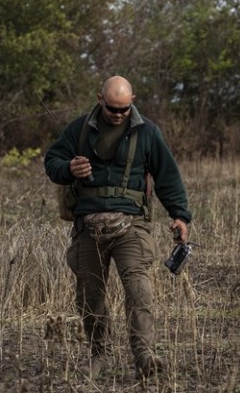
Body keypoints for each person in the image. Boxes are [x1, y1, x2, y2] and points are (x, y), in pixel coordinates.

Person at [44, 76, 193, 379]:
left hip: (132, 226)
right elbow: (52, 161)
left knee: (139, 288)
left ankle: (144, 355)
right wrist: (69, 168)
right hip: (89, 225)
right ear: (100, 99)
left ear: (132, 101)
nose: (118, 114)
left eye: (124, 109)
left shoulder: (148, 132)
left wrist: (180, 215)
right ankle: (100, 355)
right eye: (112, 108)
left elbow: (167, 175)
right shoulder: (78, 129)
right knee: (90, 294)